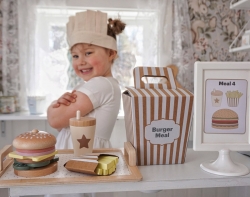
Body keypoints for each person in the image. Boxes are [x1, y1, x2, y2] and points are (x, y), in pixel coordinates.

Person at [47, 10, 126, 151]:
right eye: (75, 56)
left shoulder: (101, 85)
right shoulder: (90, 85)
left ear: (111, 53)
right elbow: (62, 126)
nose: (81, 62)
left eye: (88, 53)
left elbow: (55, 120)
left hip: (84, 158)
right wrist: (59, 110)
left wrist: (54, 105)